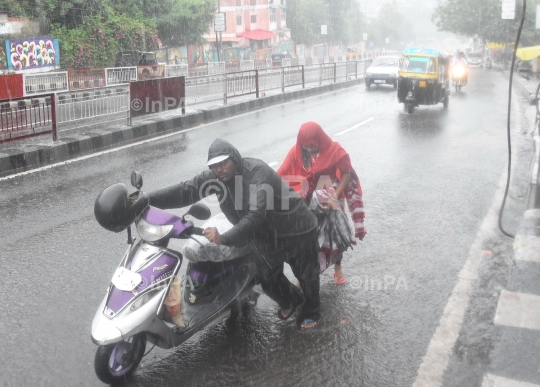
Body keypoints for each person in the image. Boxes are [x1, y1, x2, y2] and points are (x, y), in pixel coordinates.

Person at [148, 139, 321, 330]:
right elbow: (184, 191)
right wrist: (148, 200)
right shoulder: (215, 179)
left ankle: (312, 311)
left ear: (235, 159)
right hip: (265, 235)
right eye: (215, 166)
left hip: (296, 228)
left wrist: (225, 238)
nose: (220, 169)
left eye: (224, 163)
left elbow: (256, 215)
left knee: (306, 275)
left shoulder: (257, 173)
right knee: (267, 276)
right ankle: (292, 300)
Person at [277, 122, 366, 285]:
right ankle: (305, 274)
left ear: (320, 140)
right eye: (306, 147)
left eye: (312, 146)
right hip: (309, 201)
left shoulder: (334, 150)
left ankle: (338, 268)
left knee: (336, 235)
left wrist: (334, 196)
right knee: (311, 237)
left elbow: (346, 175)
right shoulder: (296, 153)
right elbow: (280, 176)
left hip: (332, 196)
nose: (309, 150)